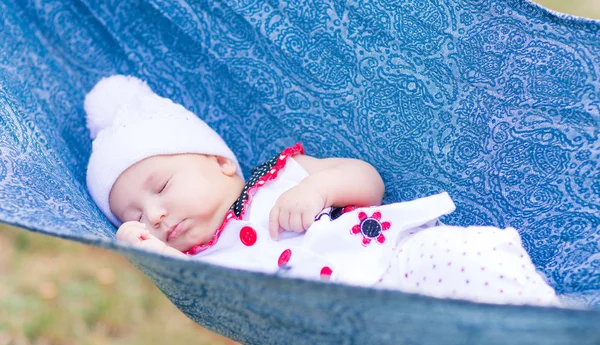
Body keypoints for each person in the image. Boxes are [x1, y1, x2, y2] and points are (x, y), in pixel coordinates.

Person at [84, 75, 561, 307]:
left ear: (222, 163)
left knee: (471, 264)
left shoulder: (282, 174)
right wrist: (135, 240)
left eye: (161, 188)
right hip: (365, 323)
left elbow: (369, 182)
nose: (157, 215)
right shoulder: (200, 266)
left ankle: (555, 335)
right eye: (139, 216)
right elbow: (165, 270)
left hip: (399, 259)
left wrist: (318, 188)